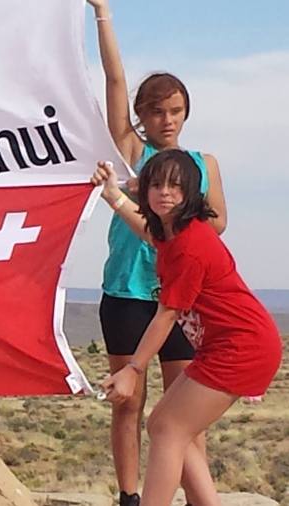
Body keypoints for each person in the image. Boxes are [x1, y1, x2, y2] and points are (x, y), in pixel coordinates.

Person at [86, 1, 227, 504]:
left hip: (183, 300)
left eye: (175, 110)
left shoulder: (201, 164)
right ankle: (130, 496)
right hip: (127, 292)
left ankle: (196, 495)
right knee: (128, 400)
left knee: (184, 408)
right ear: (142, 116)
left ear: (186, 113)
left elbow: (219, 224)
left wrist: (173, 223)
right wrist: (103, 14)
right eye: (156, 111)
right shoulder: (130, 152)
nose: (166, 120)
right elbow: (115, 81)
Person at [92, 151, 281, 506]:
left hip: (242, 347)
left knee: (168, 429)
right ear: (144, 189)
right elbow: (149, 233)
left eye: (176, 186)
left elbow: (165, 315)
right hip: (227, 344)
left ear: (191, 193)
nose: (165, 192)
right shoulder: (172, 233)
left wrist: (133, 368)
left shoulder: (190, 246)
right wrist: (114, 195)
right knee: (165, 424)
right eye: (158, 184)